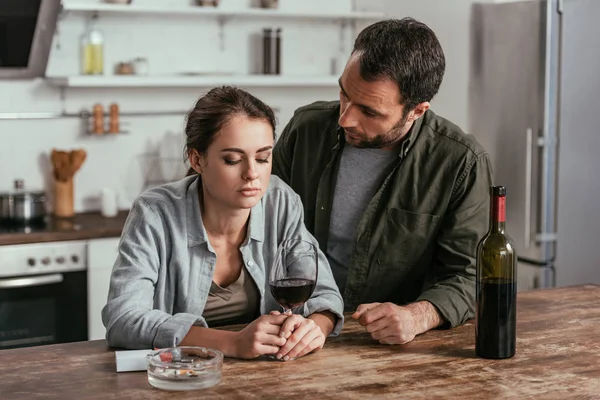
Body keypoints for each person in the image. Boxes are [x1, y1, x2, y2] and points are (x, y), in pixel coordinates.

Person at [272, 18, 492, 345]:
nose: (345, 118)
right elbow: (259, 228)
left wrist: (418, 315)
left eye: (369, 111)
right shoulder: (306, 129)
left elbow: (469, 275)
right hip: (292, 327)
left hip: (381, 345)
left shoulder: (460, 161)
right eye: (344, 94)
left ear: (416, 111)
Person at [102, 86, 344, 361]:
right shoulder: (155, 213)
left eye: (263, 158)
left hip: (263, 377)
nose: (252, 173)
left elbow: (325, 294)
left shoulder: (281, 201)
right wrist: (233, 343)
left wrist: (315, 328)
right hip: (180, 378)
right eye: (232, 160)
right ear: (197, 160)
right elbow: (123, 318)